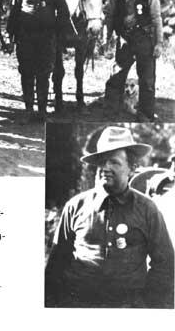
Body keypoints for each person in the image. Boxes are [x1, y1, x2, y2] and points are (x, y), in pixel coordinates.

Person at [45, 126, 174, 308]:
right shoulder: (76, 206)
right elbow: (57, 263)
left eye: (114, 162)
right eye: (102, 162)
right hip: (78, 306)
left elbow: (165, 264)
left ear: (132, 168)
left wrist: (148, 306)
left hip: (127, 309)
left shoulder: (147, 209)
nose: (105, 168)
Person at [7, 0, 71, 122]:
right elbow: (13, 15)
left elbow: (64, 14)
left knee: (43, 75)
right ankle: (28, 109)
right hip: (25, 40)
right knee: (26, 74)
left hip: (46, 40)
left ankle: (42, 111)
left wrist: (59, 38)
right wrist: (10, 38)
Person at [104, 0, 163, 121]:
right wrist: (106, 39)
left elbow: (157, 20)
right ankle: (111, 112)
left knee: (147, 82)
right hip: (124, 41)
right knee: (116, 78)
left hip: (144, 41)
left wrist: (158, 43)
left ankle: (145, 114)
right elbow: (109, 17)